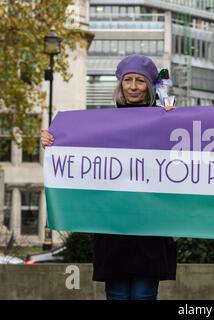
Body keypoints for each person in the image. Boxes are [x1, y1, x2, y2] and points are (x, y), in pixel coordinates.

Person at [41, 55, 177, 300]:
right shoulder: (100, 125)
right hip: (113, 231)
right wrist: (52, 140)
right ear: (120, 84)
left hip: (151, 230)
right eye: (128, 80)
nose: (133, 86)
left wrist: (175, 120)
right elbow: (75, 149)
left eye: (140, 81)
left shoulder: (165, 119)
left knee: (144, 295)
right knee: (115, 295)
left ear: (149, 86)